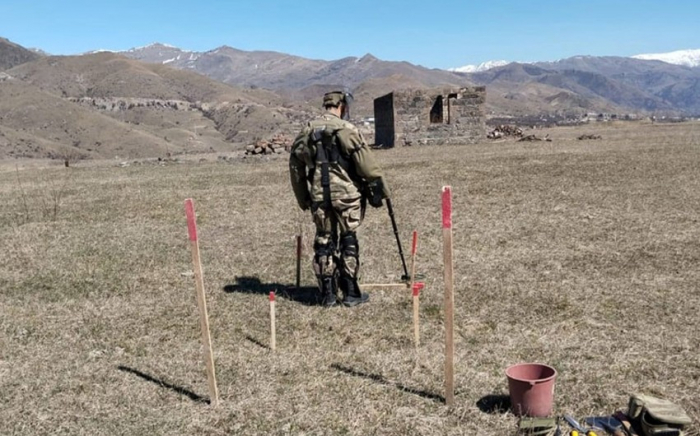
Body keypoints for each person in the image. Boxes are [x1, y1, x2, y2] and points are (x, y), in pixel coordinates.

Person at [289, 91, 391, 307]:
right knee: (348, 239)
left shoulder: (307, 130)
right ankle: (351, 291)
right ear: (342, 106)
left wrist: (303, 197)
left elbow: (295, 167)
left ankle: (327, 294)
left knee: (324, 239)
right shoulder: (348, 130)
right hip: (346, 196)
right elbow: (367, 166)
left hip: (319, 195)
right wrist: (382, 190)